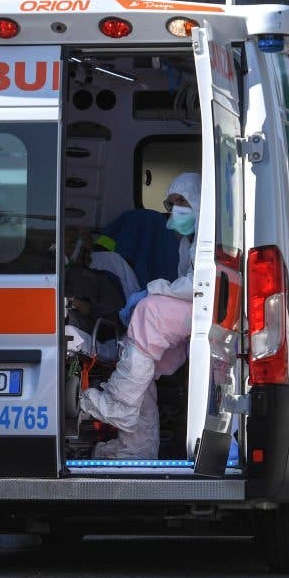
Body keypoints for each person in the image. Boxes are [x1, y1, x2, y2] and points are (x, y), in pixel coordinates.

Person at [79, 172, 201, 459]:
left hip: (210, 308)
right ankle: (137, 447)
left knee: (148, 313)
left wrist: (152, 290)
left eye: (182, 200)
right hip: (195, 310)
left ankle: (120, 405)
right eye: (171, 203)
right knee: (141, 362)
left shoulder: (209, 238)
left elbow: (197, 285)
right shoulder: (187, 241)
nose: (176, 208)